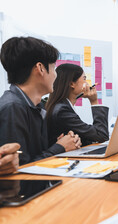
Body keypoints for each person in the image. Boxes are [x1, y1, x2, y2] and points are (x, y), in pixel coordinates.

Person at [0, 37, 81, 166]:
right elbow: (21, 170)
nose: (55, 75)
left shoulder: (35, 106)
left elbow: (34, 154)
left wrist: (59, 143)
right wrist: (60, 148)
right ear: (40, 68)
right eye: (54, 68)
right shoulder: (13, 108)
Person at [45, 64, 109, 146]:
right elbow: (101, 135)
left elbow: (85, 136)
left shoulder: (63, 105)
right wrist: (94, 102)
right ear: (72, 84)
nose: (87, 83)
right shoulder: (62, 110)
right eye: (84, 79)